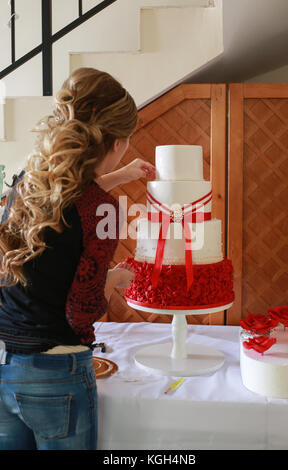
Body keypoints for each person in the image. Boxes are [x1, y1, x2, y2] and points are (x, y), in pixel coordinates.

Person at [0, 67, 155, 450]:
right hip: (56, 372)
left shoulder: (25, 183)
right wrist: (117, 280)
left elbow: (67, 204)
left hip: (5, 364)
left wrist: (119, 176)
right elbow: (81, 311)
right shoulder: (102, 209)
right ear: (118, 141)